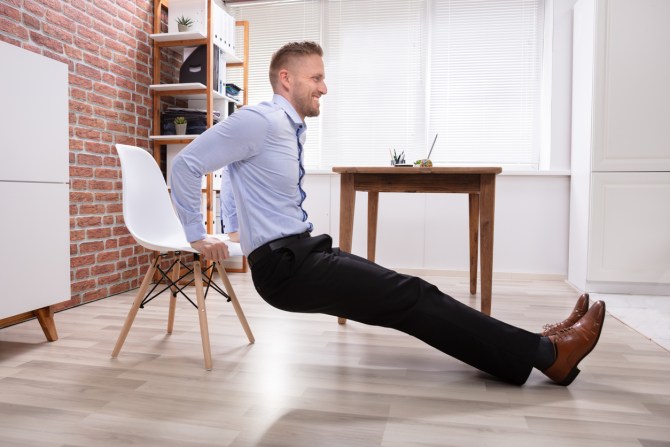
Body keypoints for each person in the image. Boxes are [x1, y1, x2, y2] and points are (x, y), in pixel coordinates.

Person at [170, 41, 605, 386]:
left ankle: (536, 348)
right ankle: (551, 357)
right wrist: (196, 234)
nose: (324, 87)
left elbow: (232, 168)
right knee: (413, 297)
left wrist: (231, 227)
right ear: (286, 79)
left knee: (412, 297)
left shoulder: (285, 127)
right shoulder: (260, 120)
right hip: (285, 268)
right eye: (316, 77)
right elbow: (188, 163)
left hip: (303, 252)